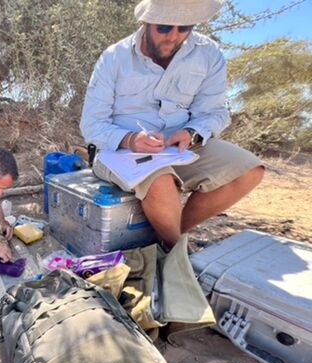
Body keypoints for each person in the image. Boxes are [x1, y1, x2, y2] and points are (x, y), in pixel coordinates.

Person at [80, 0, 264, 249]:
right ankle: (177, 253)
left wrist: (192, 133)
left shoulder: (209, 54)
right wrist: (131, 139)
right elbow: (92, 124)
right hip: (119, 150)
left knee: (248, 171)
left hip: (180, 147)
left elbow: (215, 112)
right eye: (164, 27)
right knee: (160, 181)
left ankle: (167, 241)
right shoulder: (114, 58)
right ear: (146, 21)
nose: (174, 37)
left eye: (184, 28)